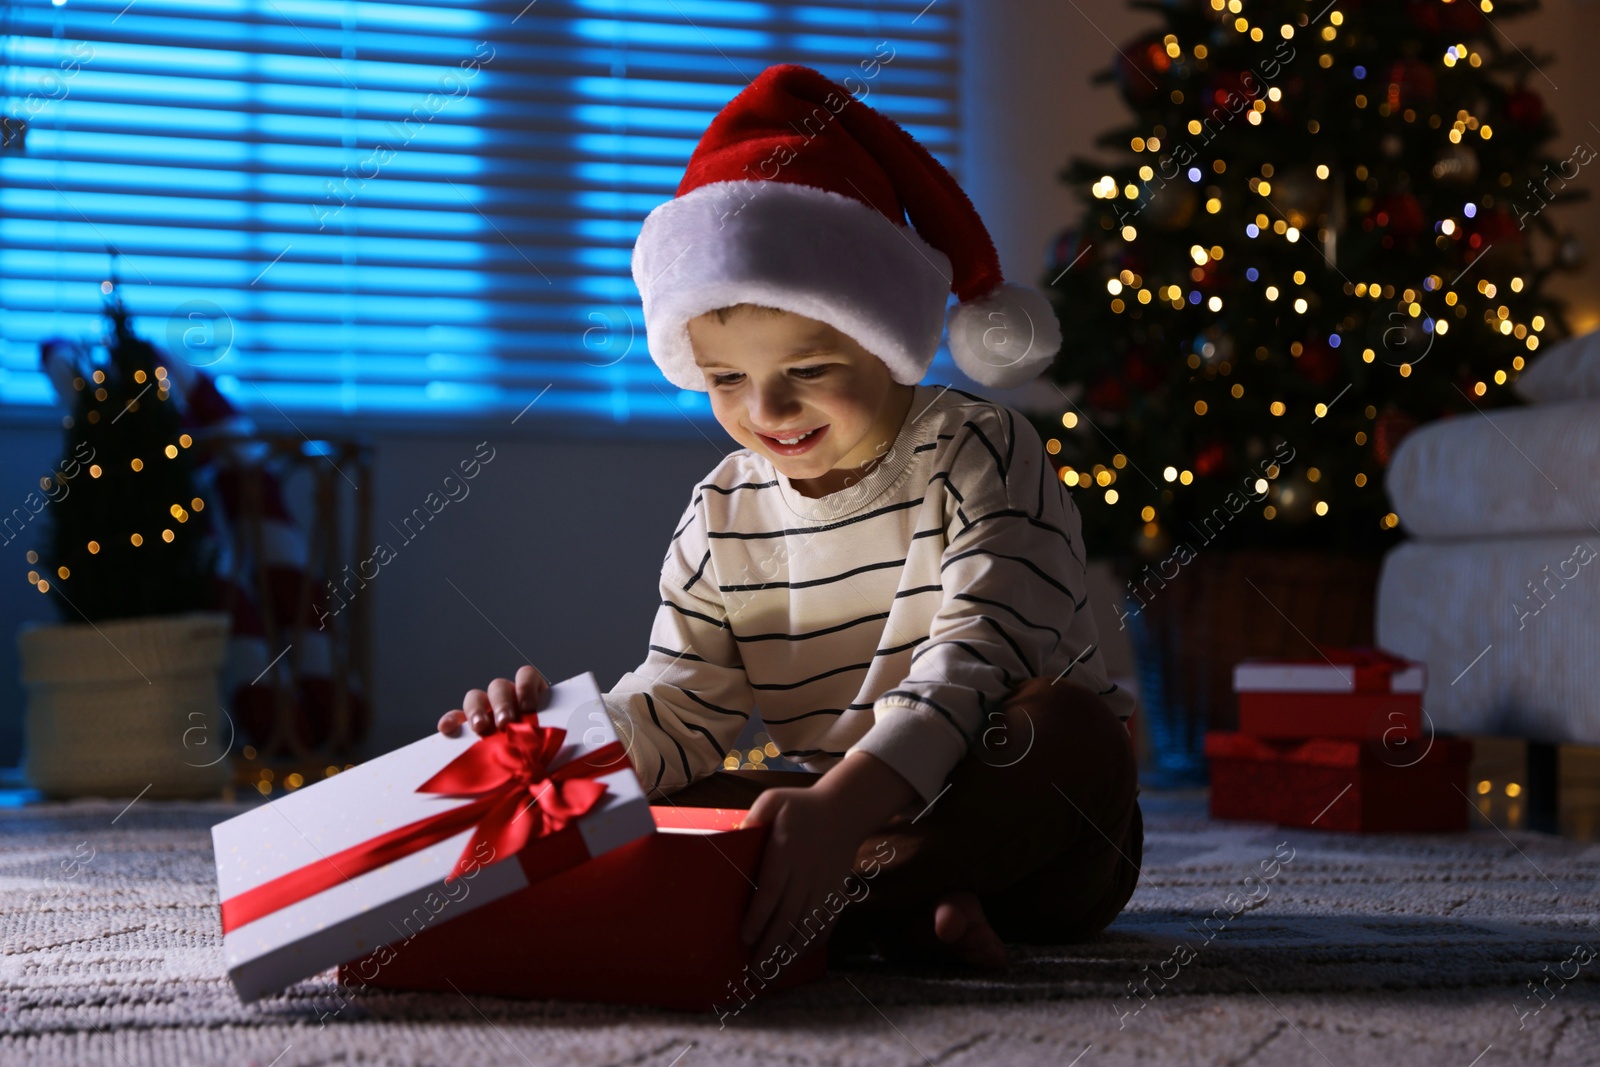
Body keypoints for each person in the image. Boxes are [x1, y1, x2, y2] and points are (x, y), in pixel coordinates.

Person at [439, 63, 1141, 973]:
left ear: (887, 340)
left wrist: (845, 808)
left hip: (1023, 821)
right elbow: (680, 703)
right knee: (690, 785)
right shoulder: (724, 508)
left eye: (806, 370)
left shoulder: (982, 447)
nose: (766, 409)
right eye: (726, 379)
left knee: (1065, 733)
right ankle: (895, 909)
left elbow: (980, 658)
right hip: (837, 815)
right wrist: (558, 746)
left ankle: (825, 905)